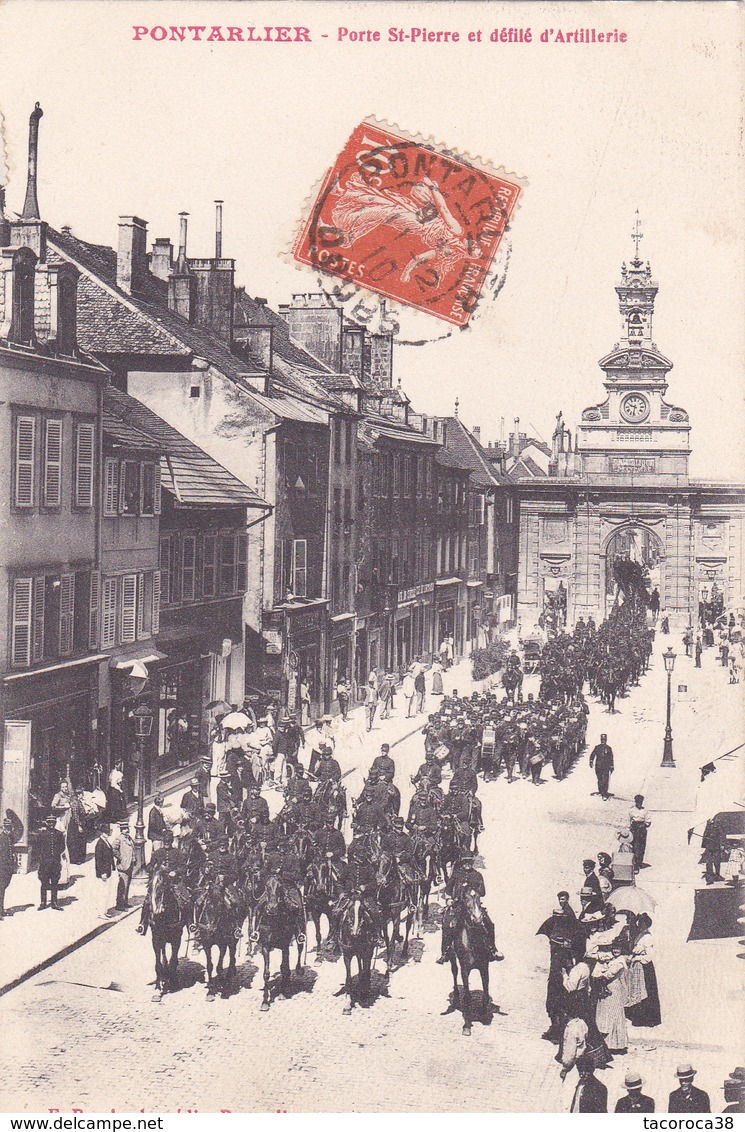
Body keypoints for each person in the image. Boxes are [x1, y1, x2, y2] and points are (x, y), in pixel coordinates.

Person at [625, 912, 661, 1027]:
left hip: (645, 968)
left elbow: (650, 956)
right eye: (639, 922)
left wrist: (638, 959)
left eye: (642, 923)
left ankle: (647, 1019)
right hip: (637, 967)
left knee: (645, 992)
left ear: (647, 924)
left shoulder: (648, 937)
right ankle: (637, 1017)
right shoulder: (640, 935)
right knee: (636, 990)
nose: (640, 925)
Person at [36, 815, 66, 911]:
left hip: (55, 862)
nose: (51, 824)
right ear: (47, 823)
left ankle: (54, 903)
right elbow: (38, 848)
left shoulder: (59, 834)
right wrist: (42, 858)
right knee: (44, 883)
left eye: (53, 823)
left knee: (54, 883)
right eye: (50, 823)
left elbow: (62, 847)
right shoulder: (42, 834)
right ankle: (43, 902)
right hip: (45, 862)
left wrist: (56, 854)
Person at [114, 821, 135, 910]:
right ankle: (120, 904)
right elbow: (114, 849)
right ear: (121, 830)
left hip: (129, 864)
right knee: (123, 885)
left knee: (127, 884)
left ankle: (125, 902)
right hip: (123, 865)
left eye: (127, 828)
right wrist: (120, 858)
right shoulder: (119, 839)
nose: (126, 830)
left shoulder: (129, 838)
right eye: (124, 829)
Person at [701, 815, 727, 884]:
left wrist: (722, 844)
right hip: (709, 846)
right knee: (709, 862)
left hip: (716, 845)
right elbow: (705, 834)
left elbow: (722, 835)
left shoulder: (718, 825)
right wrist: (705, 843)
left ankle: (717, 875)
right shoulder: (708, 825)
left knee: (717, 861)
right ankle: (710, 877)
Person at [0, 817, 17, 918]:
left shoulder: (11, 837)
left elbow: (12, 850)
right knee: (1, 888)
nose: (8, 829)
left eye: (9, 827)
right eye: (6, 827)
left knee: (4, 887)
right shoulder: (1, 837)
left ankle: (1, 910)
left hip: (9, 867)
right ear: (3, 827)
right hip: (1, 866)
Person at [629, 795, 651, 871]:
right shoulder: (631, 810)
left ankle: (639, 862)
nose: (639, 803)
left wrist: (644, 825)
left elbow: (648, 821)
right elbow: (628, 820)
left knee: (641, 846)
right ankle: (634, 863)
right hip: (634, 829)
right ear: (635, 802)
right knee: (634, 846)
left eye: (641, 802)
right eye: (638, 801)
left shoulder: (645, 810)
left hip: (642, 829)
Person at [589, 734, 614, 799]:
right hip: (598, 766)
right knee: (599, 779)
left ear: (606, 740)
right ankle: (601, 791)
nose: (603, 741)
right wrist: (591, 761)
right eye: (602, 739)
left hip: (606, 766)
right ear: (600, 740)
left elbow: (611, 757)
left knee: (605, 779)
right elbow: (592, 754)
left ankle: (605, 793)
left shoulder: (608, 748)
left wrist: (612, 766)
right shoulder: (597, 747)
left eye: (604, 740)